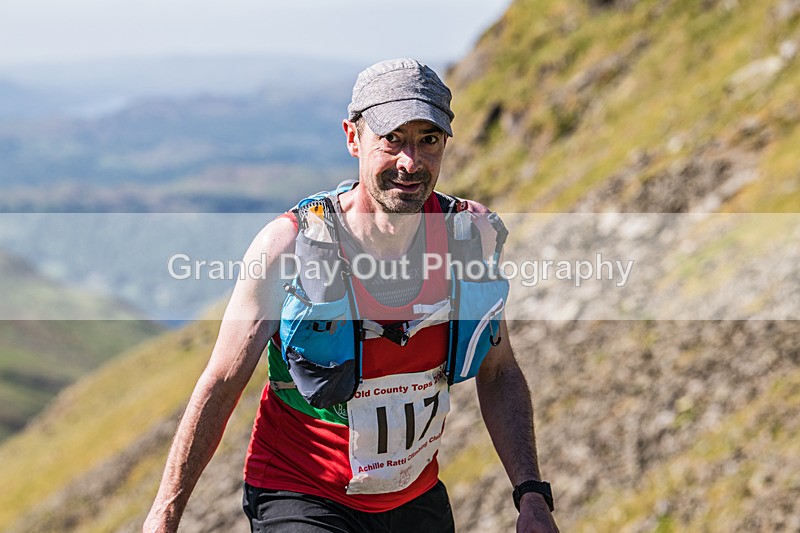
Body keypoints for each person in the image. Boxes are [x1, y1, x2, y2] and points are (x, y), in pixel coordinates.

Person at [144, 58, 558, 533]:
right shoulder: (289, 246)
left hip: (415, 498)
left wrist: (531, 495)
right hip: (300, 494)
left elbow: (499, 368)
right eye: (393, 139)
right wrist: (165, 514)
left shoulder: (471, 238)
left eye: (429, 140)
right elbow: (222, 381)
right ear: (352, 137)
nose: (411, 162)